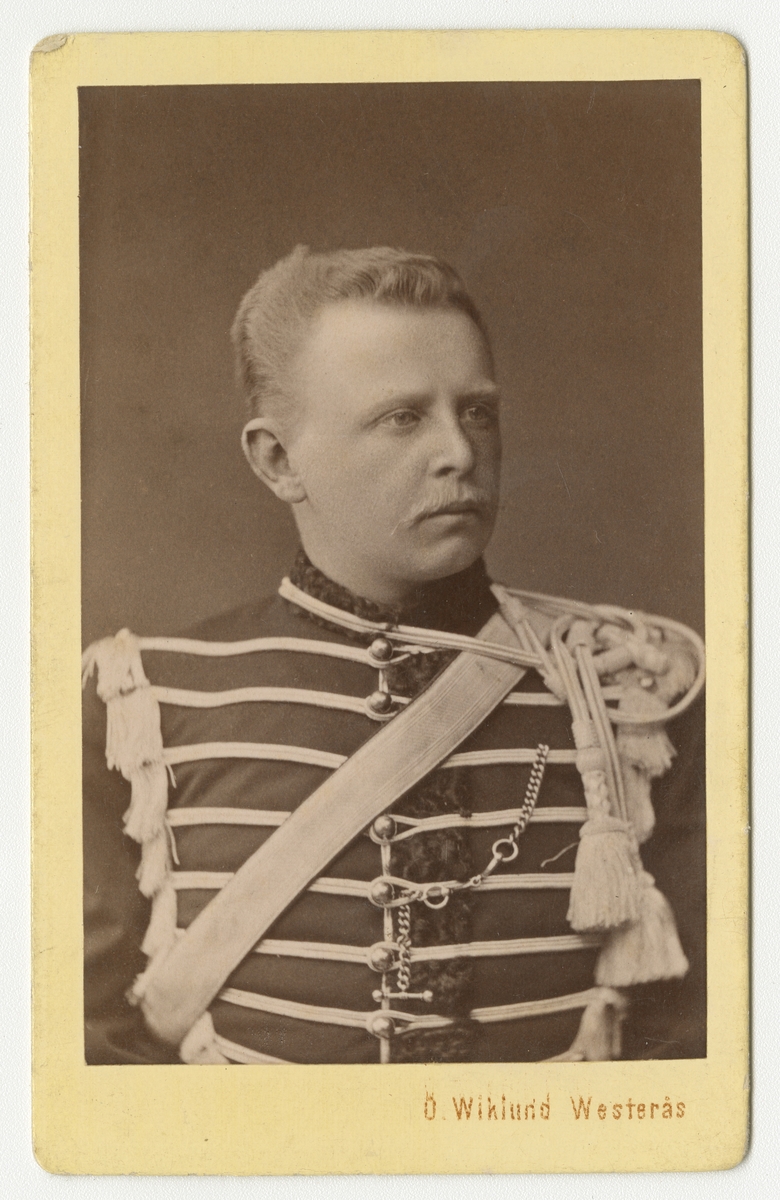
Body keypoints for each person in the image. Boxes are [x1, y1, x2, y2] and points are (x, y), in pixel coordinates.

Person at [82, 245, 705, 1066]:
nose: (459, 452)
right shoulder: (142, 703)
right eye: (402, 418)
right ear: (277, 460)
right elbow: (89, 1056)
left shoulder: (630, 687)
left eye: (476, 411)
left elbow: (700, 1043)